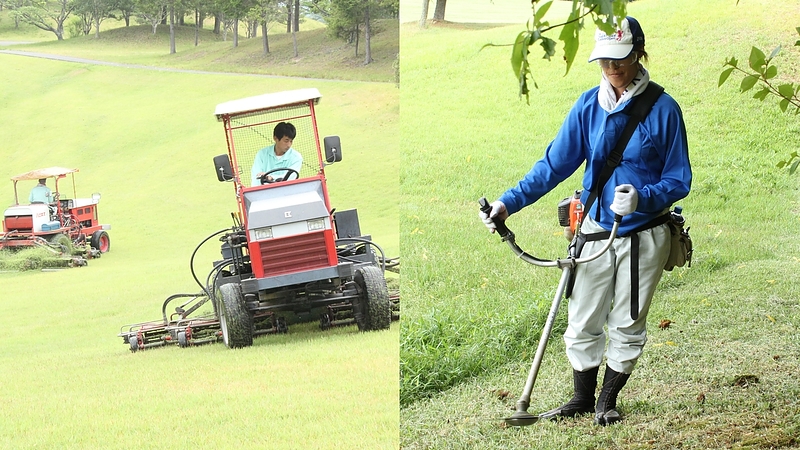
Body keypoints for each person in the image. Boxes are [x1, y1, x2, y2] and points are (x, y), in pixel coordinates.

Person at [479, 17, 691, 426]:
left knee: (627, 322)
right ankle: (580, 398)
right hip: (593, 230)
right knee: (582, 319)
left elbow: (679, 179)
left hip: (644, 236)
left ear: (638, 54)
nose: (612, 69)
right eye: (605, 61)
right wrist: (508, 204)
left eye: (621, 60)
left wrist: (643, 197)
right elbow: (553, 166)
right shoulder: (587, 106)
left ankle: (606, 402)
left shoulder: (664, 109)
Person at [251, 122, 303, 186]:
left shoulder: (296, 157)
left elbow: (291, 177)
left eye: (291, 141)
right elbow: (256, 177)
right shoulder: (261, 154)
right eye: (286, 141)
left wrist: (272, 178)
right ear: (275, 138)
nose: (289, 145)